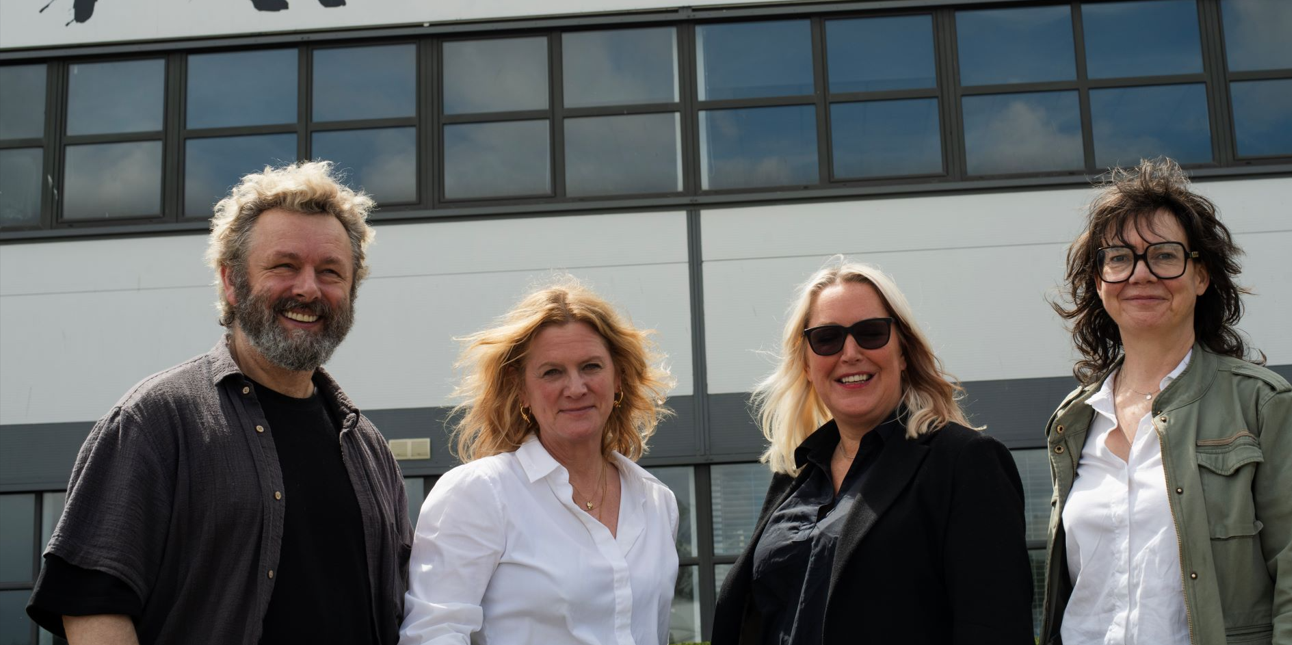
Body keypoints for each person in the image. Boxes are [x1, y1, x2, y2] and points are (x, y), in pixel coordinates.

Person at [25, 161, 413, 645]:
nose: (308, 289)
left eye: (330, 272)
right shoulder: (154, 420)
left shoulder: (368, 449)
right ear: (231, 281)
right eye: (284, 266)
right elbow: (90, 606)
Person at [1042, 158, 1292, 644]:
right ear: (1099, 282)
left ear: (1201, 276)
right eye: (1119, 257)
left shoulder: (1262, 405)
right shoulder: (1074, 421)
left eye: (1164, 255)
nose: (1140, 274)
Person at [711, 258, 1035, 645]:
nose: (850, 353)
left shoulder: (964, 462)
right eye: (827, 338)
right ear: (807, 365)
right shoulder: (796, 477)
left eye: (871, 332)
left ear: (903, 352)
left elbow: (994, 629)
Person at [400, 278, 679, 645]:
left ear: (619, 379)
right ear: (521, 391)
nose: (576, 388)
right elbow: (433, 634)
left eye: (591, 366)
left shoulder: (656, 502)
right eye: (552, 372)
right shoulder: (480, 494)